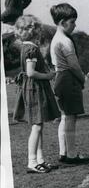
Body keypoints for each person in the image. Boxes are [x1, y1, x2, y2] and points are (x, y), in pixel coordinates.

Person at [13, 15, 60, 173]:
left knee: (38, 126)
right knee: (37, 126)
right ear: (35, 31)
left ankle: (40, 159)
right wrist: (48, 76)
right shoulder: (32, 49)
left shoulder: (25, 47)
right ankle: (32, 162)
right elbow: (31, 72)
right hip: (34, 89)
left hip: (33, 88)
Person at [50, 3, 89, 164]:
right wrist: (82, 78)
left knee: (65, 117)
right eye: (72, 22)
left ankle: (63, 152)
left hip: (60, 78)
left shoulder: (56, 38)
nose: (74, 25)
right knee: (70, 118)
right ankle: (71, 154)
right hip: (68, 78)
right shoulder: (65, 40)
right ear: (62, 22)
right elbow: (73, 65)